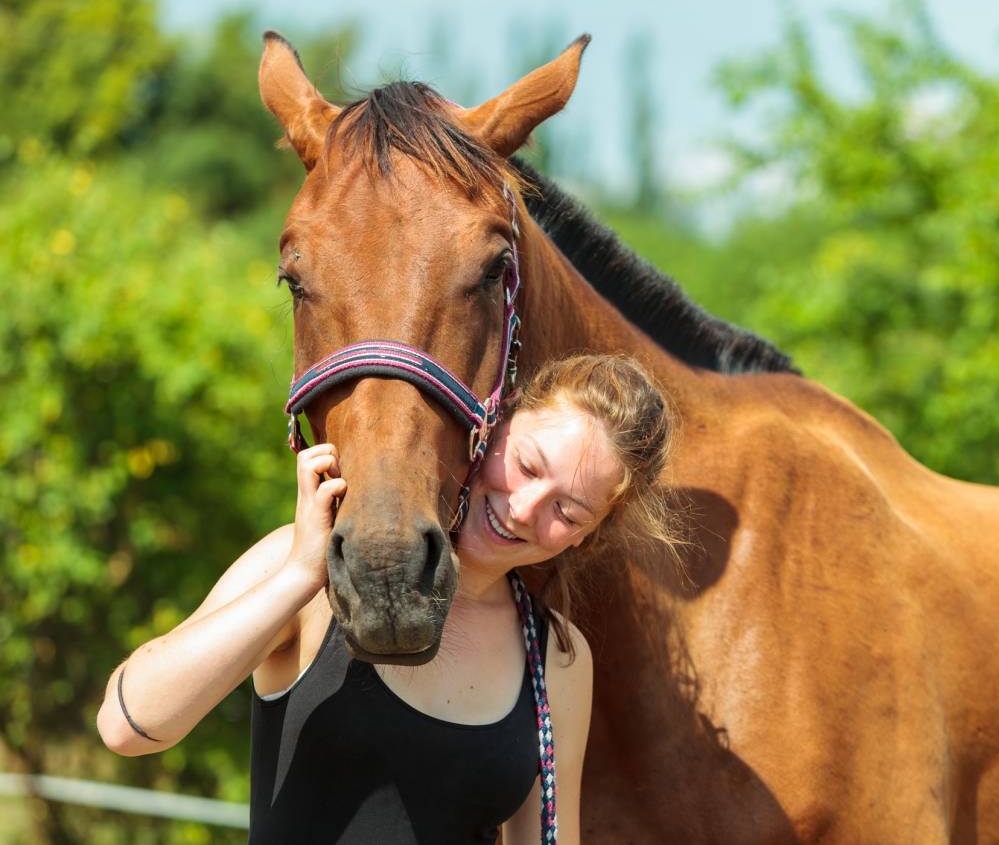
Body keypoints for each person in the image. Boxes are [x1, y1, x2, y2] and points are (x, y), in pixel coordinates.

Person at [96, 354, 681, 844]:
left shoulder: (557, 656)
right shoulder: (302, 572)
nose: (524, 508)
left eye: (567, 510)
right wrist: (300, 575)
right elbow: (129, 724)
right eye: (527, 466)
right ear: (494, 423)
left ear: (587, 536)